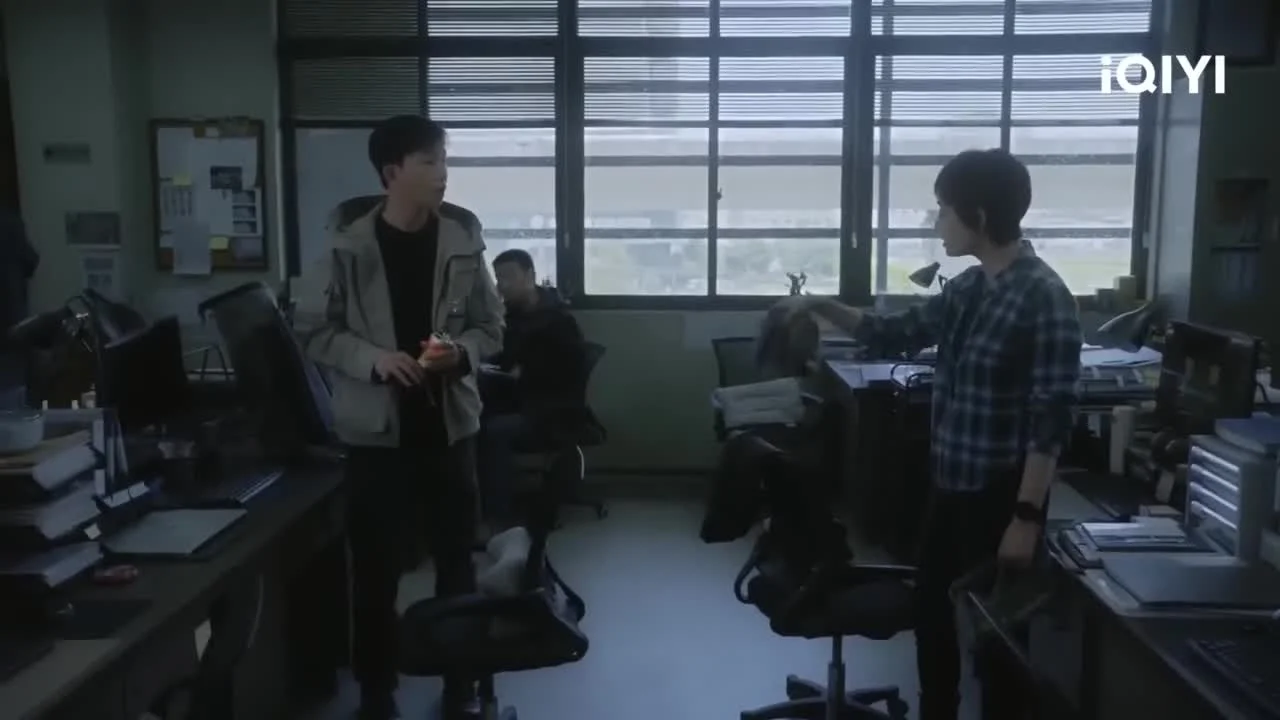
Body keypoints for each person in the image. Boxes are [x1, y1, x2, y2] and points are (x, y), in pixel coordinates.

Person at [794, 149, 1082, 720]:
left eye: (944, 210)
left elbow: (1051, 417)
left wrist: (1026, 518)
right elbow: (894, 332)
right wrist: (822, 305)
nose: (937, 223)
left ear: (978, 216)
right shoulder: (969, 288)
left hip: (1001, 495)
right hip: (951, 483)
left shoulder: (1044, 297)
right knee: (932, 614)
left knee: (998, 639)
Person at [295, 115, 504, 720]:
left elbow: (491, 327)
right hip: (375, 436)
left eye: (444, 160)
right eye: (430, 162)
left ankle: (460, 684)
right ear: (392, 173)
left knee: (456, 562)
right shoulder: (345, 246)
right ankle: (376, 690)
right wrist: (374, 359)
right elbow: (314, 331)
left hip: (449, 429)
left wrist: (460, 352)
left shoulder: (463, 240)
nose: (443, 174)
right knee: (375, 571)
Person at [478, 249, 588, 531]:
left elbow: (567, 374)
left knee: (493, 431)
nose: (501, 286)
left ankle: (499, 519)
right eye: (497, 278)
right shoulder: (509, 317)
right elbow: (503, 358)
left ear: (530, 276)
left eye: (508, 277)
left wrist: (525, 372)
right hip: (519, 400)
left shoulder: (558, 321)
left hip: (550, 410)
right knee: (467, 419)